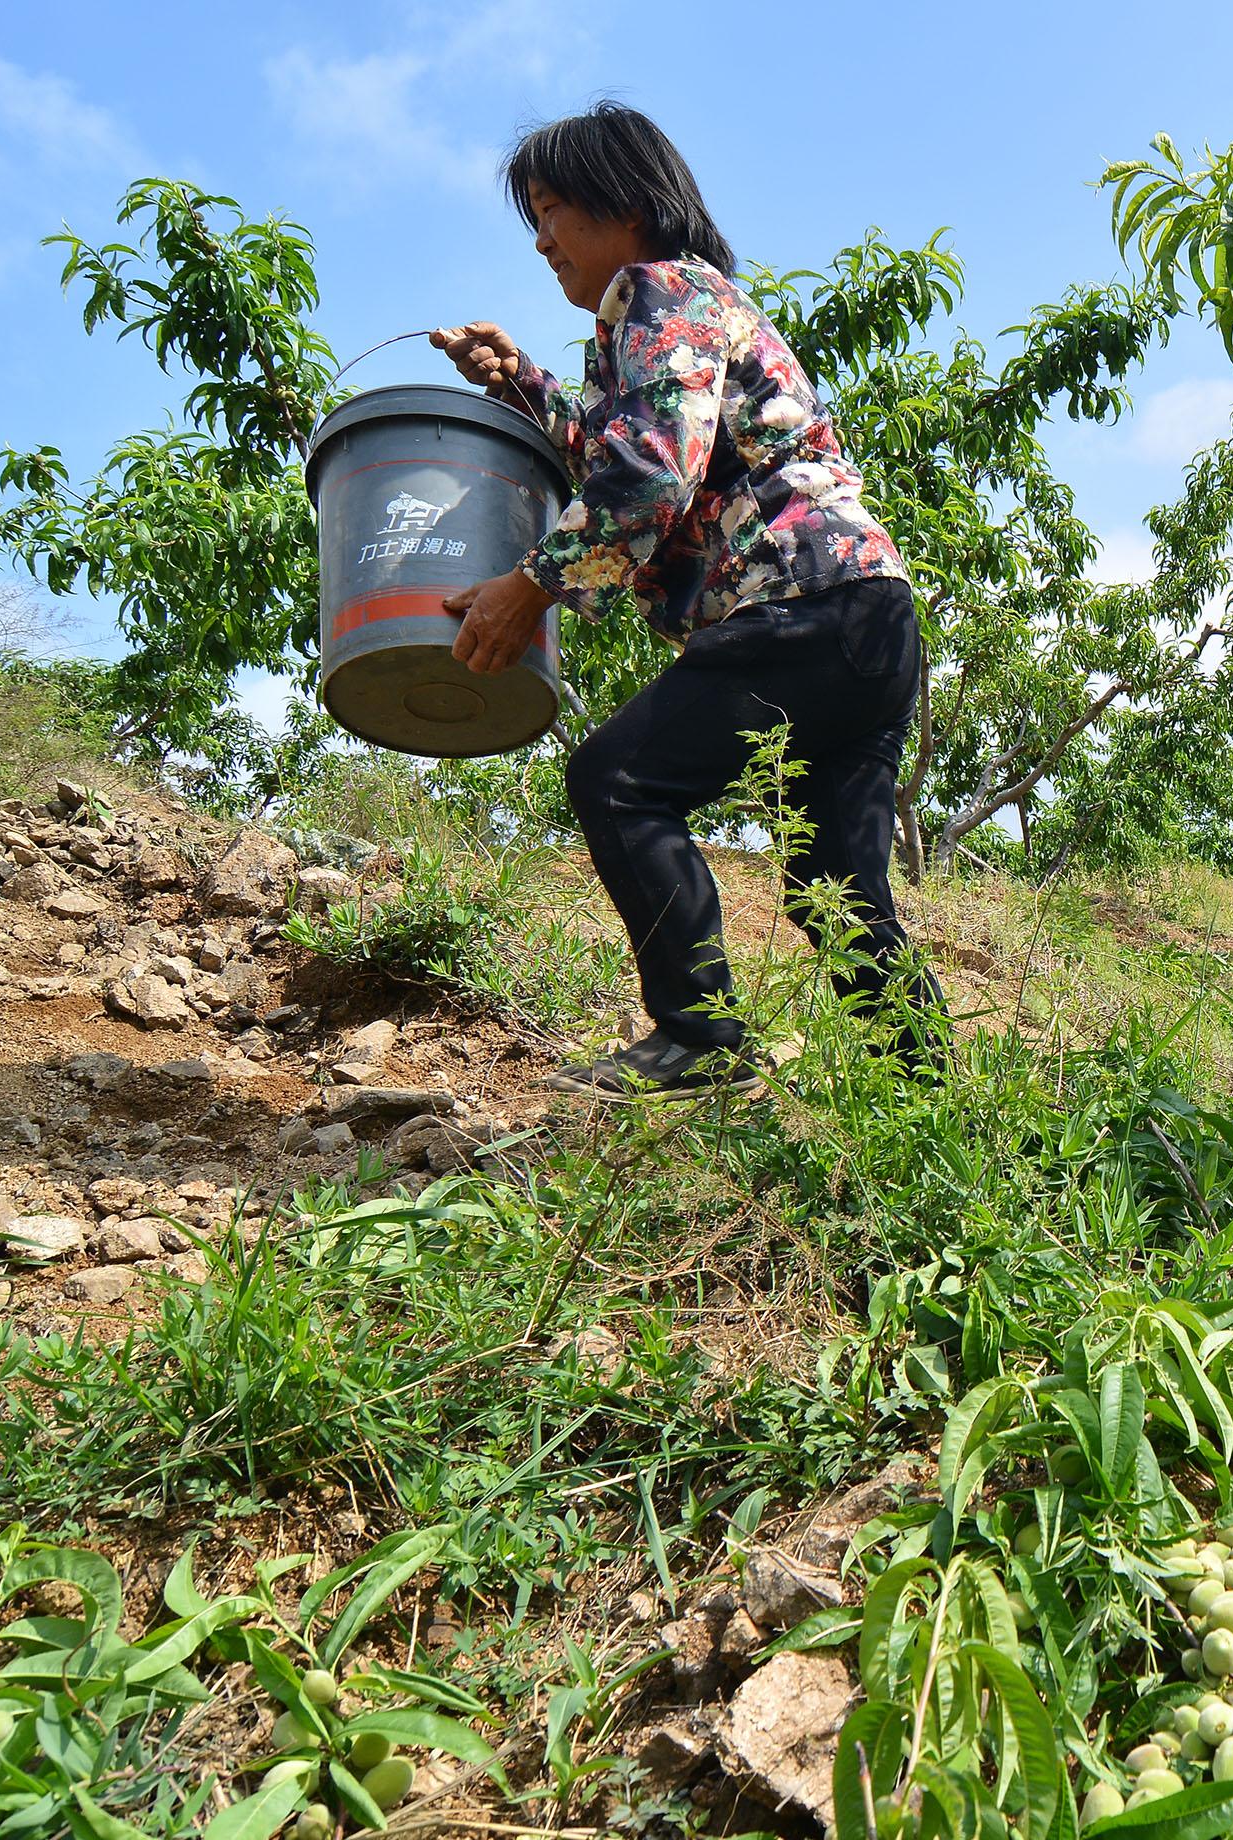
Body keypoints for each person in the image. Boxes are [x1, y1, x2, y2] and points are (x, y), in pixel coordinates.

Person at [433, 100, 943, 1094]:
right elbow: (638, 444)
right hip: (870, 615)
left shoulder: (659, 293)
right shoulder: (692, 311)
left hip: (802, 602)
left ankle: (699, 1041)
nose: (540, 241)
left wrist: (527, 586)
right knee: (836, 889)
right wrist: (522, 383)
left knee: (619, 780)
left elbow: (647, 479)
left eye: (551, 210)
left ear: (625, 203)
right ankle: (932, 1105)